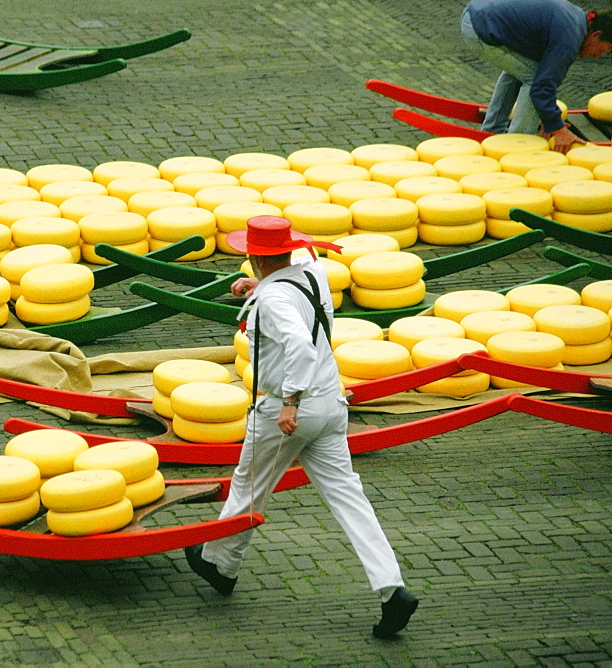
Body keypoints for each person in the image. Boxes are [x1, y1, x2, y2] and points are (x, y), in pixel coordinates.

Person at [184, 216, 419, 639]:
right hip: (331, 404)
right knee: (350, 499)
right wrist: (261, 290)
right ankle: (391, 589)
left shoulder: (274, 301)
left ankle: (220, 564)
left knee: (248, 486)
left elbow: (299, 348)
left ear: (253, 257)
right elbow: (294, 299)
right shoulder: (310, 271)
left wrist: (289, 402)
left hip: (289, 410)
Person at [460, 0, 612, 153]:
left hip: (477, 13)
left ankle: (492, 131)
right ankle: (517, 147)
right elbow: (542, 88)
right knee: (533, 78)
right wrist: (559, 130)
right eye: (604, 50)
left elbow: (544, 75)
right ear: (596, 35)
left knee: (521, 68)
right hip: (482, 26)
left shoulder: (577, 18)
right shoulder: (568, 41)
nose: (598, 56)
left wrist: (549, 119)